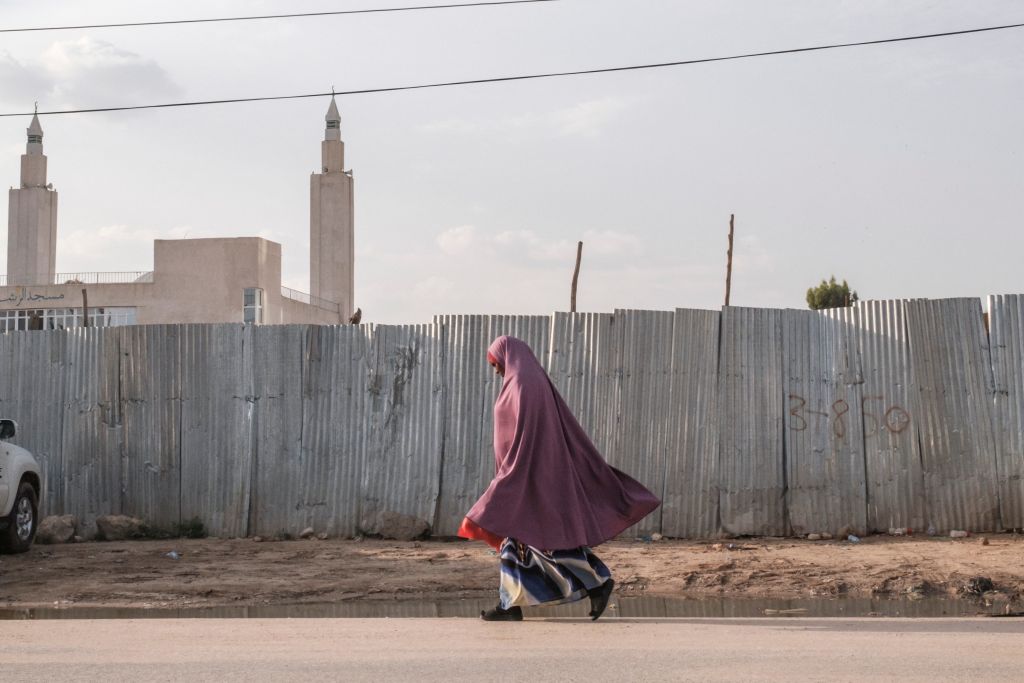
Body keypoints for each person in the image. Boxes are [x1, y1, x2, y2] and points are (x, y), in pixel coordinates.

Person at [458, 335, 660, 622]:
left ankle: (589, 586)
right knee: (529, 539)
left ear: (507, 357)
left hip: (527, 474)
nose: (496, 370)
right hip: (528, 474)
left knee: (526, 534)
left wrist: (512, 474)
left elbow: (528, 435)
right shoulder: (525, 381)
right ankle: (515, 604)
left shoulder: (524, 385)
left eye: (496, 363)